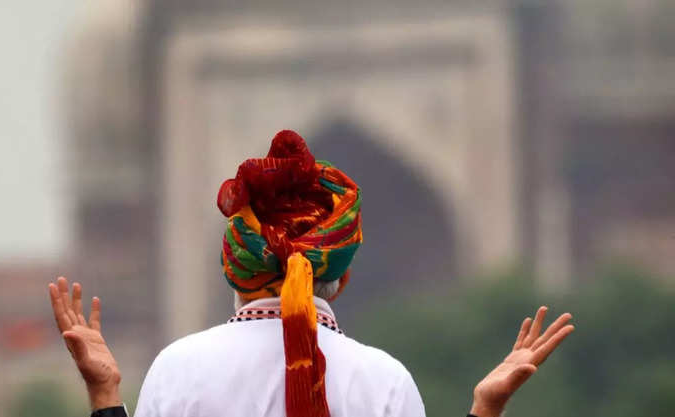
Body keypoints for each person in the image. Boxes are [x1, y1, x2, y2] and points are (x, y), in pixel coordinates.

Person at [48, 130, 575, 417]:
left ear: (234, 267)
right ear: (341, 277)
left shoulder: (180, 370)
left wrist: (105, 396)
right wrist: (485, 410)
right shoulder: (383, 382)